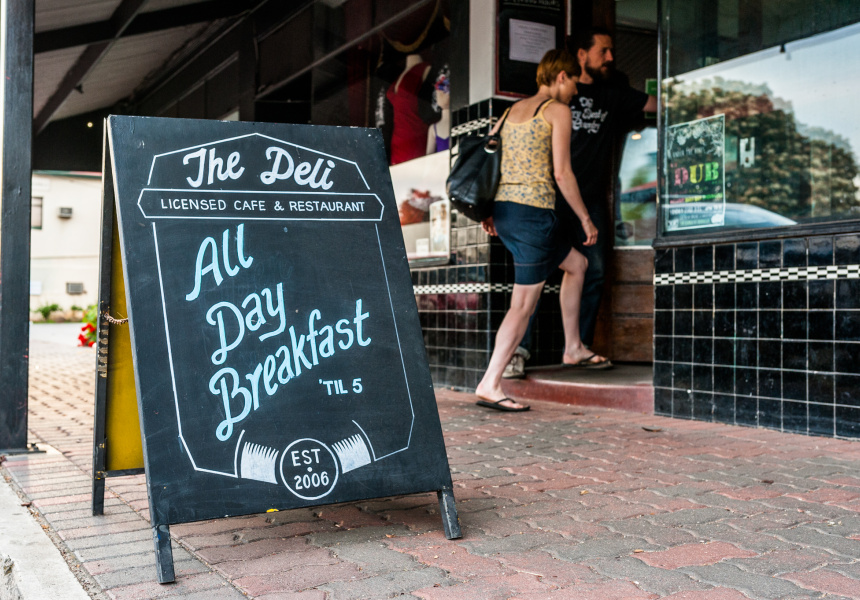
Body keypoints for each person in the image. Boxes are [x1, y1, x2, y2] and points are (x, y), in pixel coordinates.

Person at [503, 27, 658, 379]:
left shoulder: (612, 93)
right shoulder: (555, 100)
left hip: (590, 199)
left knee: (592, 269)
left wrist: (695, 93)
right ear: (579, 58)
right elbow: (550, 166)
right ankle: (518, 351)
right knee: (535, 273)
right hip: (549, 199)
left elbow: (653, 104)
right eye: (604, 50)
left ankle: (577, 346)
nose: (611, 57)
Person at [474, 49, 605, 412]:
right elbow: (562, 173)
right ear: (562, 76)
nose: (576, 91)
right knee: (522, 305)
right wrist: (585, 218)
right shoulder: (556, 110)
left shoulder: (508, 112)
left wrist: (489, 210)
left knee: (577, 264)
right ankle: (490, 382)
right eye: (574, 82)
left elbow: (488, 159)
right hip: (533, 216)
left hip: (507, 213)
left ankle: (573, 347)